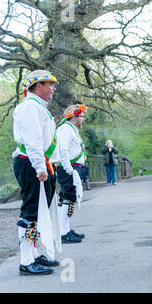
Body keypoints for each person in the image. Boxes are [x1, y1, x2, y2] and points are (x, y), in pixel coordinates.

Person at [12, 69, 60, 275]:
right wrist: (40, 167)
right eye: (50, 84)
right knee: (31, 211)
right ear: (38, 85)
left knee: (40, 210)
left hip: (39, 163)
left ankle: (32, 254)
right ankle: (25, 260)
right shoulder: (31, 107)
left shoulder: (38, 107)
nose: (53, 88)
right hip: (31, 163)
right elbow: (33, 140)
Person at [56, 104, 88, 244]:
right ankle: (63, 232)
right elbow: (63, 150)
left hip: (73, 167)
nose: (84, 119)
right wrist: (69, 169)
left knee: (68, 197)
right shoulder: (65, 130)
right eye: (82, 116)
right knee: (68, 197)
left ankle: (65, 229)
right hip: (68, 167)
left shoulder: (72, 130)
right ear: (75, 117)